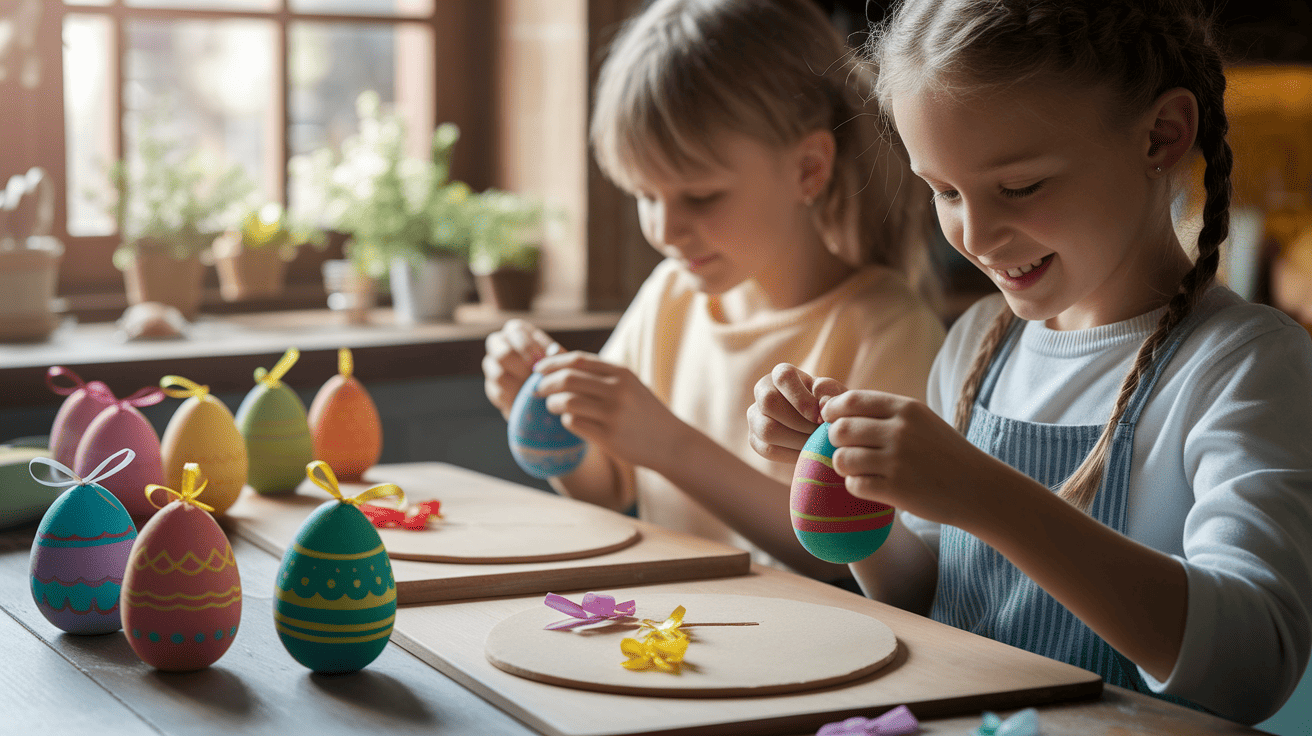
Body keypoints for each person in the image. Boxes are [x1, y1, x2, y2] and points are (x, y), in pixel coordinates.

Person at [747, 0, 1312, 723]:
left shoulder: (1242, 366)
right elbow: (929, 598)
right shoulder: (980, 343)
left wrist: (983, 495)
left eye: (1020, 187)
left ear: (1161, 137)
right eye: (945, 192)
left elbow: (1250, 663)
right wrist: (852, 487)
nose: (976, 234)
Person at [482, 0, 945, 582]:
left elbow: (862, 564)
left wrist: (670, 445)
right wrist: (556, 417)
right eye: (645, 195)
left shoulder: (886, 329)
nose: (664, 229)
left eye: (700, 197)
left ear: (808, 169)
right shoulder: (672, 295)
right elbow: (605, 488)